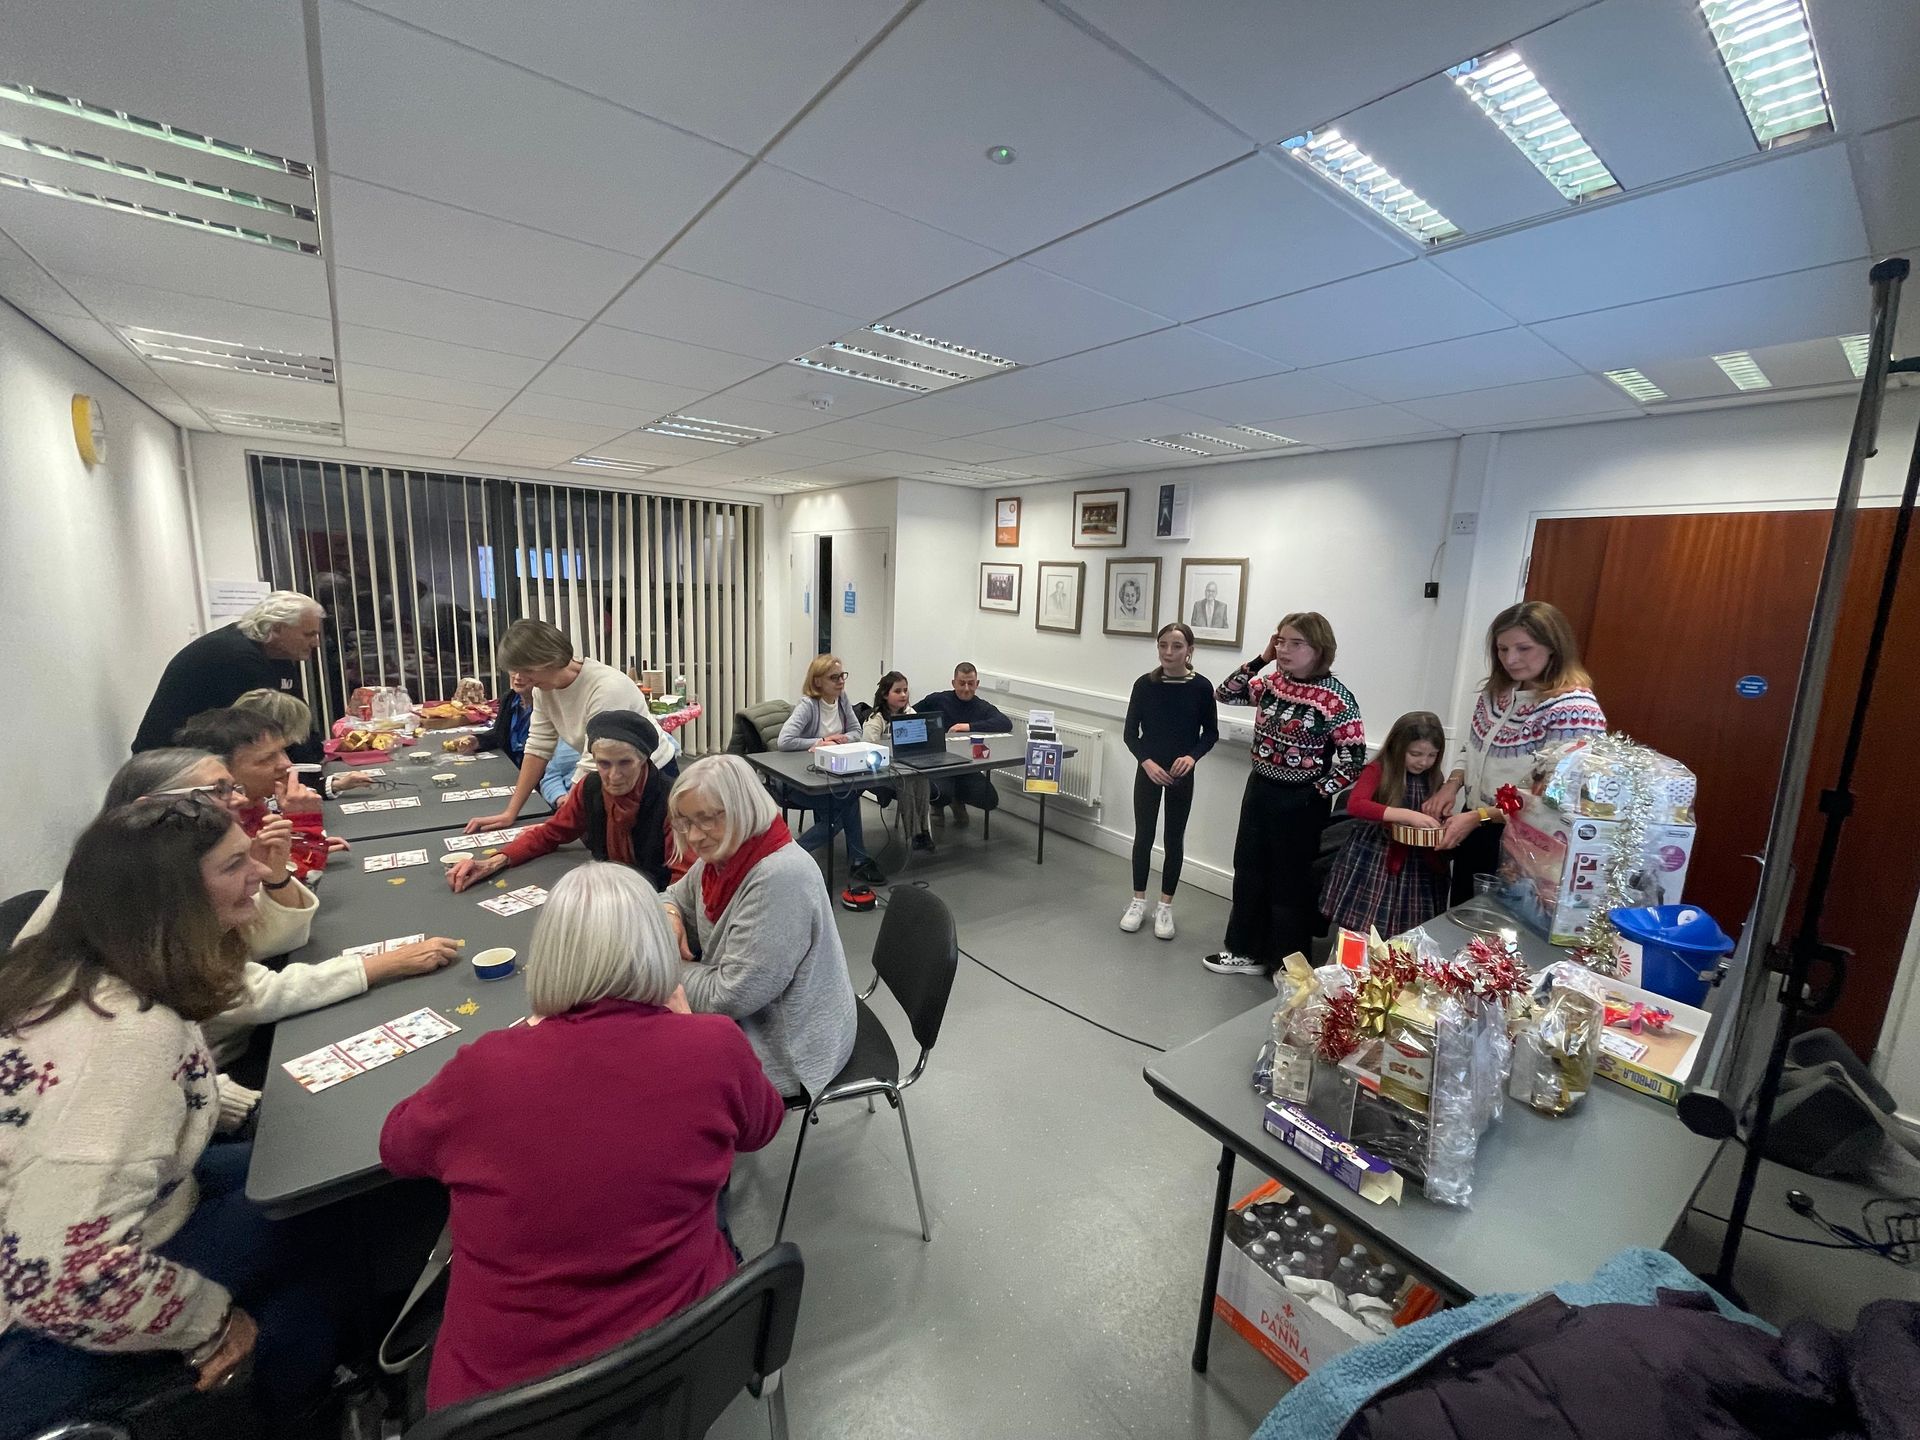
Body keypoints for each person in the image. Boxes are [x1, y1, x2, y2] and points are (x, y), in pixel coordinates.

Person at [0, 797, 355, 1436]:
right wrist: (209, 1321)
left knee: (298, 1167)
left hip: (133, 1209)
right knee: (328, 1210)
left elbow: (147, 1113)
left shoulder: (77, 968)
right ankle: (298, 1407)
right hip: (33, 1327)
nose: (257, 872)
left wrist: (237, 1111)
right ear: (171, 900)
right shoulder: (126, 1037)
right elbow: (61, 1278)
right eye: (233, 865)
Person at [381, 864, 784, 1411]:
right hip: (686, 1365)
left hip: (508, 1411)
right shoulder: (715, 1045)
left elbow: (398, 1146)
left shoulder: (485, 1070)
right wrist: (690, 1024)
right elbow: (763, 1126)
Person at [13, 749, 457, 1080]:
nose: (240, 799)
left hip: (205, 1075)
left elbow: (270, 942)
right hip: (215, 1069)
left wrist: (277, 874)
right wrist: (383, 964)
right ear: (156, 805)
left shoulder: (184, 866)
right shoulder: (125, 897)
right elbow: (234, 989)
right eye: (219, 790)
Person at [659, 756, 858, 1098]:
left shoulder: (779, 876)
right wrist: (671, 915)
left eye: (706, 820)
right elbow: (674, 896)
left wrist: (656, 969)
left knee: (646, 1064)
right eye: (686, 822)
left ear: (742, 809)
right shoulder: (725, 856)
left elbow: (729, 996)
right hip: (756, 1015)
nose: (693, 836)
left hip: (790, 1048)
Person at [1205, 612, 1365, 977]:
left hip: (1301, 801)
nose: (1285, 649)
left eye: (1296, 643)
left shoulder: (1335, 699)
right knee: (1248, 871)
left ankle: (1287, 963)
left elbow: (1354, 760)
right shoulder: (1273, 683)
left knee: (1290, 882)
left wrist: (1316, 792)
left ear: (1319, 648)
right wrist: (1262, 659)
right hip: (1260, 790)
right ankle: (1244, 950)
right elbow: (1225, 692)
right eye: (1281, 641)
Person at [1425, 600, 1608, 905]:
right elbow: (1473, 746)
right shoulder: (1496, 693)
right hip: (1477, 826)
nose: (1511, 659)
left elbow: (1557, 796)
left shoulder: (1574, 708)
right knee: (1464, 913)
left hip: (1529, 844)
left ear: (1553, 647)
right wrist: (1452, 783)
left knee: (1504, 930)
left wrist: (1482, 816)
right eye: (1502, 649)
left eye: (1523, 648)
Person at [448, 710, 680, 894]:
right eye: (604, 764)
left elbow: (683, 879)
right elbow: (551, 833)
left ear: (643, 760)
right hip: (611, 888)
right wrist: (494, 862)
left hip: (655, 897)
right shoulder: (591, 787)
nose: (613, 776)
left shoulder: (673, 801)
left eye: (625, 763)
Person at [463, 620, 650, 836]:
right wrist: (510, 812)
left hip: (644, 773)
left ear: (550, 659)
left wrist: (557, 823)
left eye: (527, 670)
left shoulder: (606, 688)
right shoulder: (542, 689)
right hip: (606, 774)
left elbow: (592, 761)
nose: (520, 678)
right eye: (515, 670)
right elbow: (537, 748)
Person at [133, 591, 324, 756]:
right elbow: (265, 731)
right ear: (277, 628)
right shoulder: (235, 657)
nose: (316, 642)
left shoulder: (274, 651)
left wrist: (318, 757)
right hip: (170, 763)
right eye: (308, 634)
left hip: (198, 755)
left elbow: (297, 716)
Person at [1121, 623, 1219, 941]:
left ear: (1189, 650)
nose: (1168, 652)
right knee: (1144, 836)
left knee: (1173, 839)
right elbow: (1130, 733)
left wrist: (1192, 757)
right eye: (1163, 645)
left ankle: (1165, 906)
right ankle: (1138, 901)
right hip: (1148, 771)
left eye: (1176, 646)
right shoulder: (1144, 685)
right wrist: (1145, 762)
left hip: (1181, 775)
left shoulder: (1202, 687)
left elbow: (1211, 733)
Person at [1319, 711, 1451, 937]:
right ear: (1398, 747)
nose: (1423, 762)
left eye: (1431, 756)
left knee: (1409, 929)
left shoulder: (1434, 777)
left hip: (1418, 865)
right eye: (1416, 754)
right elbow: (1356, 804)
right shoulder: (1379, 769)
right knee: (1365, 926)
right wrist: (1406, 815)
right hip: (1375, 857)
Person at [174, 707, 344, 881]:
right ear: (220, 771)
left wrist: (297, 847)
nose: (286, 764)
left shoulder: (254, 809)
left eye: (283, 751)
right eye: (266, 759)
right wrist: (305, 826)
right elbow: (293, 890)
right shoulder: (215, 833)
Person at [777, 655, 886, 886]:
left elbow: (857, 732)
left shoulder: (842, 699)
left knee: (848, 798)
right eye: (834, 678)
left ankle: (856, 859)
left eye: (842, 676)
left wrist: (839, 740)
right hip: (799, 779)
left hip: (832, 775)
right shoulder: (808, 705)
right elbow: (784, 741)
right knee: (843, 809)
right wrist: (821, 741)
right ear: (817, 682)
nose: (840, 682)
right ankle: (789, 856)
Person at [915, 662, 1012, 826]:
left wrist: (968, 727)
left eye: (971, 684)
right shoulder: (937, 700)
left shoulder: (982, 707)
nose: (966, 689)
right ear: (953, 683)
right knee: (941, 793)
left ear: (977, 684)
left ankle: (956, 799)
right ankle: (938, 806)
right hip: (938, 765)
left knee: (990, 799)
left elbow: (1005, 723)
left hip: (965, 766)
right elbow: (911, 714)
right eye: (961, 683)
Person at [864, 671, 935, 852]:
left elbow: (921, 740)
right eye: (898, 691)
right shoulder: (875, 720)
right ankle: (914, 834)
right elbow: (868, 751)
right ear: (886, 694)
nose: (903, 695)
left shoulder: (910, 713)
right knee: (907, 781)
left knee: (922, 777)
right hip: (882, 771)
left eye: (905, 690)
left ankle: (924, 831)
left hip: (907, 765)